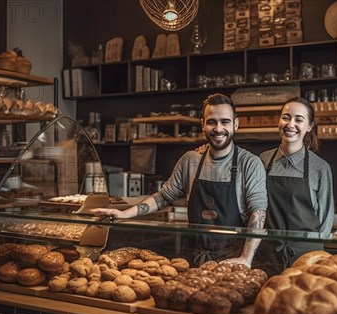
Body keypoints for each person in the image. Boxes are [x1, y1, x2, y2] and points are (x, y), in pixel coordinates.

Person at [92, 93, 267, 267]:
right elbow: (164, 197)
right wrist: (124, 214)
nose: (218, 128)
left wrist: (245, 259)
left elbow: (258, 213)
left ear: (235, 124)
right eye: (212, 122)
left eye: (225, 122)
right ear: (203, 124)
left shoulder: (249, 163)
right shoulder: (190, 160)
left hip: (232, 261)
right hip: (193, 259)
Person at [253, 96, 335, 276]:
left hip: (307, 259)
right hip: (267, 256)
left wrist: (314, 258)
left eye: (299, 119)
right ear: (279, 121)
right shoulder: (262, 161)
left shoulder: (320, 168)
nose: (290, 124)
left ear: (309, 127)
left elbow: (325, 223)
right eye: (286, 117)